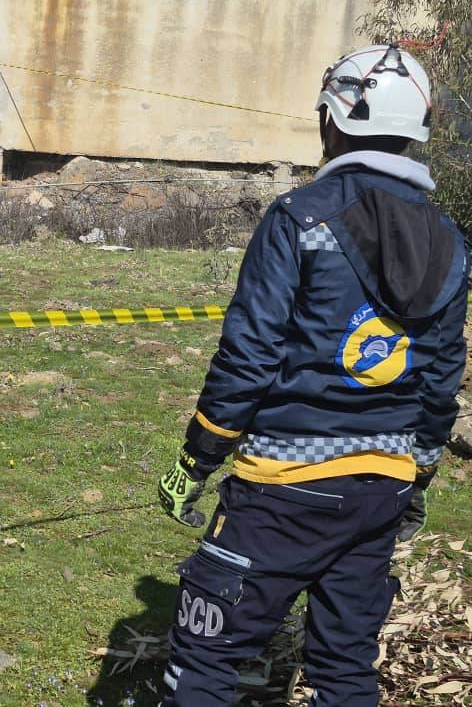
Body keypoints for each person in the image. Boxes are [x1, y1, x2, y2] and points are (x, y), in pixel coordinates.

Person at [156, 44, 468, 707]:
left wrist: (196, 458)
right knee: (344, 670)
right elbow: (441, 379)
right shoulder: (451, 240)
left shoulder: (299, 218)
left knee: (204, 659)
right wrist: (418, 477)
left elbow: (249, 356)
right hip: (381, 490)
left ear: (334, 120)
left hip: (282, 488)